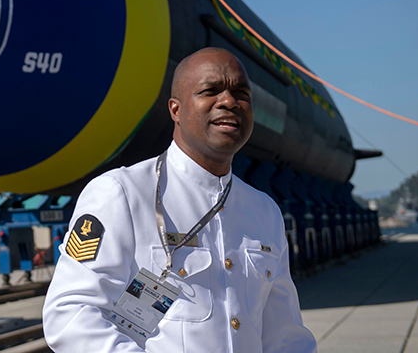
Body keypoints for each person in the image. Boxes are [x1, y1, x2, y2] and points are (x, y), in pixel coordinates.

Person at [43, 48, 317, 352]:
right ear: (175, 109)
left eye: (241, 93)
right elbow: (70, 315)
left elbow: (285, 335)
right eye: (210, 91)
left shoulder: (264, 211)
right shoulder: (122, 193)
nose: (229, 101)